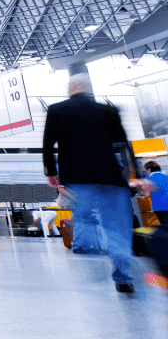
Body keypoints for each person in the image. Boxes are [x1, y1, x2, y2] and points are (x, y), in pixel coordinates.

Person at [43, 73, 149, 293]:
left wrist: (51, 171)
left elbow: (48, 144)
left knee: (84, 218)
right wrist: (136, 174)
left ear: (70, 88)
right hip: (109, 177)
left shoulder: (56, 110)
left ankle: (89, 252)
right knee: (116, 229)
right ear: (89, 89)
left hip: (77, 179)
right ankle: (123, 276)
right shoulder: (108, 111)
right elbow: (123, 144)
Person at [145, 161, 168, 226]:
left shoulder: (149, 178)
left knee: (165, 226)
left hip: (160, 207)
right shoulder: (166, 176)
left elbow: (147, 194)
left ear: (149, 170)